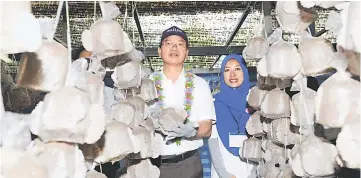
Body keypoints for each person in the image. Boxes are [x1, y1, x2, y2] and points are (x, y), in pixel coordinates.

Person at [149, 26, 215, 178]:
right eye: (168, 43)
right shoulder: (147, 83)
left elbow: (207, 128)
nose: (174, 47)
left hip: (188, 165)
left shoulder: (199, 84)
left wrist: (191, 132)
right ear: (159, 51)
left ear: (187, 53)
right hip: (153, 166)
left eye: (180, 44)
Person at [209, 54, 253, 178]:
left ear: (244, 71)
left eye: (237, 69)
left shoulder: (255, 101)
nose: (232, 74)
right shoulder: (214, 103)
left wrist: (254, 172)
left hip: (251, 168)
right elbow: (213, 143)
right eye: (227, 70)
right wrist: (224, 174)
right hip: (224, 170)